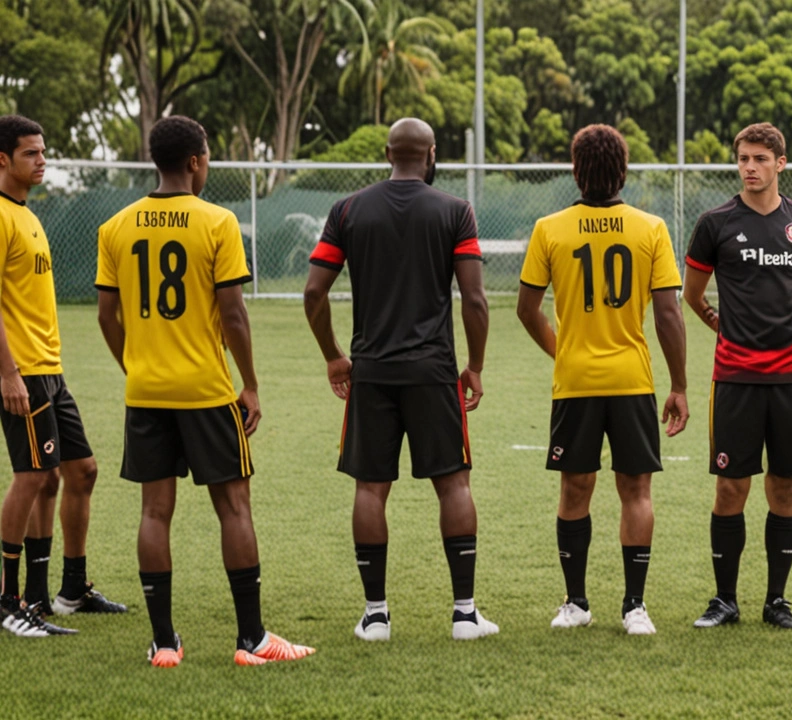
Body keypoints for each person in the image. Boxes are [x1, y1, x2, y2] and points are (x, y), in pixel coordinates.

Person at [96, 115, 314, 667]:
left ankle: (165, 643)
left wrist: (136, 364)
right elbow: (233, 315)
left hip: (145, 392)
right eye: (209, 156)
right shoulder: (217, 222)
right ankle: (252, 640)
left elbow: (107, 314)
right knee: (234, 508)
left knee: (154, 512)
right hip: (207, 391)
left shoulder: (115, 226)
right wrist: (252, 385)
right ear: (195, 161)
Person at [304, 117, 497, 643]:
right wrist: (474, 365)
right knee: (454, 483)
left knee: (372, 487)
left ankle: (375, 616)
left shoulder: (347, 210)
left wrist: (334, 355)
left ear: (388, 152)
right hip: (434, 372)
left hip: (371, 371)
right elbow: (474, 299)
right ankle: (463, 615)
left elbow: (313, 293)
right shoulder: (455, 211)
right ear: (431, 153)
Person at [516, 124, 689, 636]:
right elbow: (668, 315)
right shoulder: (651, 227)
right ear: (623, 171)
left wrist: (561, 349)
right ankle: (634, 607)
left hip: (576, 383)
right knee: (636, 491)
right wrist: (679, 384)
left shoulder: (550, 227)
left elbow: (526, 310)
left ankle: (576, 602)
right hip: (633, 381)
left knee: (575, 489)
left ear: (575, 169)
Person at [682, 122, 792, 630]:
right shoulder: (715, 223)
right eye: (743, 158)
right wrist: (716, 322)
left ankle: (777, 600)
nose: (750, 167)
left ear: (780, 163)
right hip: (736, 377)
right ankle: (725, 600)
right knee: (731, 489)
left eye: (760, 159)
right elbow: (692, 293)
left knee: (784, 489)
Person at [0, 115, 124, 639]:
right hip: (21, 372)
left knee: (82, 471)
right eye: (30, 153)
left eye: (43, 152)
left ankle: (67, 591)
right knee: (32, 476)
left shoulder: (28, 214)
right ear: (2, 160)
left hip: (50, 370)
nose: (42, 160)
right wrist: (7, 372)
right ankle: (10, 601)